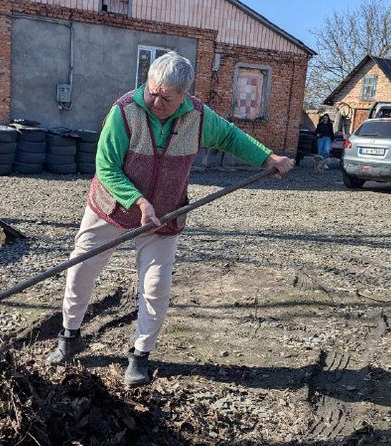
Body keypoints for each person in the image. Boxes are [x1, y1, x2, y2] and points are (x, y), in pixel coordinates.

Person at [46, 52, 294, 386]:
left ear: (184, 96)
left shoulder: (199, 117)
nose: (156, 101)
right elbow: (106, 168)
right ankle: (69, 335)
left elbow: (231, 137)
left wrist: (267, 157)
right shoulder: (124, 112)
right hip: (110, 207)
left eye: (167, 97)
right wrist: (138, 201)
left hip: (164, 213)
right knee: (81, 269)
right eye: (152, 92)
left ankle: (139, 354)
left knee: (155, 286)